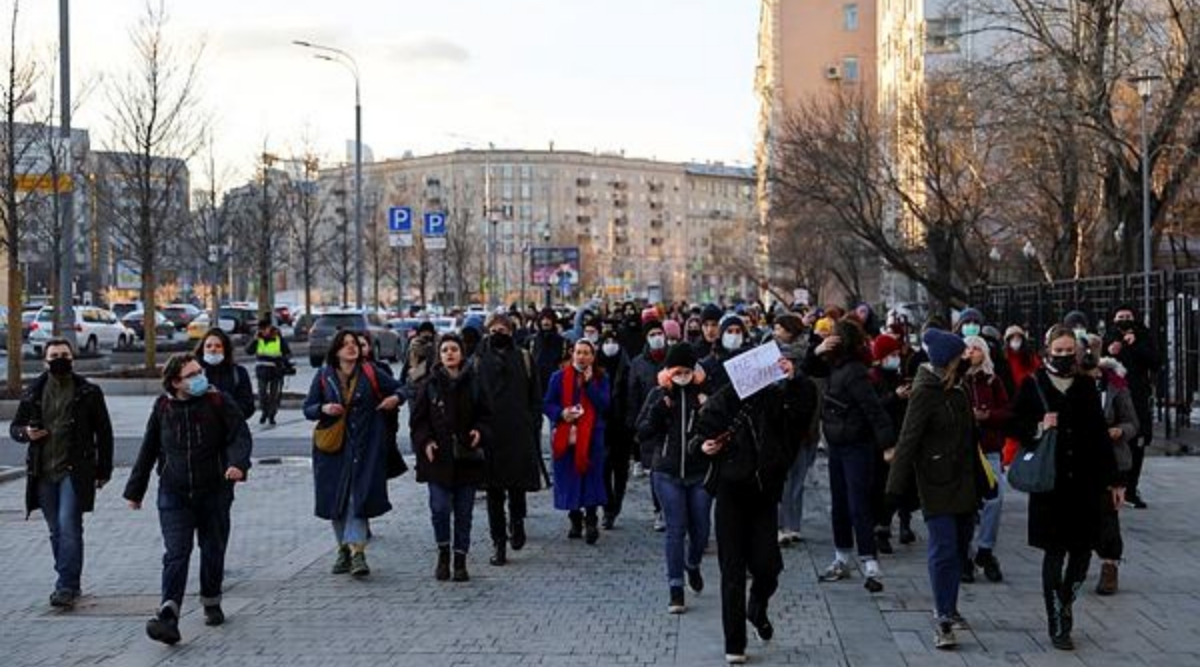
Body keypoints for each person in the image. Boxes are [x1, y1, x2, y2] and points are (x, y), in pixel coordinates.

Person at [690, 349, 818, 665]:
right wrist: (704, 447)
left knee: (768, 565)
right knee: (731, 571)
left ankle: (757, 605)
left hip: (764, 494)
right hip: (731, 493)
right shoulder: (725, 399)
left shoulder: (776, 398)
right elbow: (698, 437)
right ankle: (735, 643)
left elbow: (803, 412)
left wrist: (795, 379)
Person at [124, 353, 253, 645]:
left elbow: (240, 436)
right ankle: (169, 613)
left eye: (200, 372)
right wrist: (135, 491)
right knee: (176, 552)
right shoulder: (163, 407)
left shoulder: (219, 402)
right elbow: (149, 448)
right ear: (175, 382)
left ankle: (211, 598)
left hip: (215, 490)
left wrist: (238, 464)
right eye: (192, 375)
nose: (200, 378)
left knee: (212, 547)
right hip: (174, 491)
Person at [1010, 325, 1120, 651]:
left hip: (1086, 484)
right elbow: (1014, 424)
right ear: (1046, 350)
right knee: (1054, 553)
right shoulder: (1033, 384)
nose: (1063, 356)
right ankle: (1057, 620)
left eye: (1068, 350)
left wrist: (1115, 481)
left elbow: (1100, 436)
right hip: (1050, 485)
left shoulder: (1086, 386)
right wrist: (1039, 426)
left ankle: (1066, 600)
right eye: (1057, 351)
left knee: (1083, 553)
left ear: (1077, 350)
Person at [885, 330, 977, 650]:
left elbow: (970, 440)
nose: (966, 359)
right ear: (947, 360)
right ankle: (942, 618)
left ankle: (950, 607)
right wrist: (894, 491)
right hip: (935, 481)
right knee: (944, 547)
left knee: (961, 546)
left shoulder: (959, 389)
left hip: (964, 481)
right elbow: (908, 440)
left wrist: (983, 481)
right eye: (961, 356)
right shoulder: (925, 391)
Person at [10, 338, 114, 610]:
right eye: (54, 355)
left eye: (64, 354)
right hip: (42, 470)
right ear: (45, 360)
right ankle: (70, 579)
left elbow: (104, 432)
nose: (59, 358)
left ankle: (65, 586)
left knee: (69, 524)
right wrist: (26, 433)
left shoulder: (88, 392)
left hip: (75, 469)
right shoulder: (33, 391)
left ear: (73, 358)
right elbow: (16, 427)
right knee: (56, 529)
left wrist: (104, 469)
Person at [303, 330, 404, 578]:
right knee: (336, 502)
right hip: (331, 449)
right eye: (345, 345)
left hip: (365, 448)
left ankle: (358, 552)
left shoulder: (370, 373)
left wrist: (395, 398)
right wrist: (324, 408)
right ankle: (343, 550)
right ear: (336, 351)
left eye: (354, 344)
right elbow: (308, 408)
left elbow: (403, 388)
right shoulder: (324, 376)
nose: (351, 348)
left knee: (355, 500)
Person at [815, 318, 895, 592]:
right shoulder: (834, 366)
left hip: (855, 445)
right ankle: (843, 556)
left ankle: (869, 561)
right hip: (838, 444)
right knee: (840, 503)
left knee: (857, 502)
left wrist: (887, 444)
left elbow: (873, 409)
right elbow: (806, 370)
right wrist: (817, 349)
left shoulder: (853, 372)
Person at [637, 343, 712, 614]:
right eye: (676, 370)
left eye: (686, 370)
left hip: (699, 471)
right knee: (675, 528)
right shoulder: (659, 394)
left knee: (701, 530)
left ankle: (692, 564)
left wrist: (708, 409)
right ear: (668, 371)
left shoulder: (704, 394)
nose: (682, 374)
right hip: (667, 471)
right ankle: (676, 587)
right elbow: (641, 431)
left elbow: (721, 427)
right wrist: (659, 411)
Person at [411, 334, 492, 581]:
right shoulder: (430, 384)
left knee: (464, 512)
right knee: (440, 507)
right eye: (444, 350)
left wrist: (480, 430)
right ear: (439, 354)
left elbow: (487, 415)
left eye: (454, 349)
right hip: (437, 459)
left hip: (467, 457)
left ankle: (460, 560)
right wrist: (426, 441)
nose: (449, 354)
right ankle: (443, 553)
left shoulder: (475, 382)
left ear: (461, 353)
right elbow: (418, 420)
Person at [474, 313, 543, 566]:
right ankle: (498, 543)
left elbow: (536, 395)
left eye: (503, 329)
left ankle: (517, 522)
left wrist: (534, 424)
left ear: (512, 332)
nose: (498, 333)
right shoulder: (478, 360)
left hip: (518, 431)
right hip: (490, 433)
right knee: (493, 492)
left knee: (516, 486)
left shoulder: (524, 357)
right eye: (494, 329)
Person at [544, 339, 611, 543]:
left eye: (586, 353)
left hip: (592, 435)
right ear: (573, 354)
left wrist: (590, 384)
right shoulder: (558, 377)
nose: (582, 357)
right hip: (567, 434)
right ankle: (575, 517)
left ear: (593, 356)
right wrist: (561, 413)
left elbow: (604, 404)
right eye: (578, 352)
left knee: (591, 477)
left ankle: (591, 520)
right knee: (569, 478)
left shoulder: (601, 377)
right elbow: (547, 403)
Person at [1085, 340, 1138, 595]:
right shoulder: (1068, 383)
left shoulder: (1114, 384)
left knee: (1108, 514)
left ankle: (1109, 565)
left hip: (1111, 458)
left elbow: (1132, 423)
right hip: (1079, 458)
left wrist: (1120, 430)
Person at [962, 335, 1011, 584]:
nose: (972, 353)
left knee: (995, 497)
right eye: (968, 348)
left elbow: (1006, 411)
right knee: (966, 505)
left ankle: (985, 549)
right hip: (965, 450)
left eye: (976, 348)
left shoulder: (993, 380)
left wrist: (987, 415)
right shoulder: (958, 379)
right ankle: (965, 556)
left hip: (990, 448)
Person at [1104, 305, 1158, 507]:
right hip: (1115, 398)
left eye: (1128, 316)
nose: (1125, 320)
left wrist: (1135, 345)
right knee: (1117, 441)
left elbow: (1155, 362)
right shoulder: (1109, 337)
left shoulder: (1143, 336)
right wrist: (1110, 351)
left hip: (1138, 397)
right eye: (1120, 317)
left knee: (1138, 441)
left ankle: (1131, 488)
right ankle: (1115, 485)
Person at [867, 332, 913, 554]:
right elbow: (874, 407)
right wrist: (894, 397)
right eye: (892, 354)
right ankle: (881, 528)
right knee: (882, 488)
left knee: (899, 487)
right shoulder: (872, 377)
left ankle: (901, 523)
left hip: (899, 436)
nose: (896, 358)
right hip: (880, 442)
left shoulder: (896, 375)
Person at [628, 319, 670, 529]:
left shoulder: (673, 357)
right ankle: (659, 510)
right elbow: (633, 395)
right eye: (652, 334)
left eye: (659, 333)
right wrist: (636, 423)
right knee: (655, 470)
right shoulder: (638, 363)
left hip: (672, 422)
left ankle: (671, 508)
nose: (657, 338)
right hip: (650, 423)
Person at [596, 328, 634, 529]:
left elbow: (632, 396)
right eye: (607, 340)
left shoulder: (628, 365)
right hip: (601, 426)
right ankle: (608, 504)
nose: (610, 344)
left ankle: (615, 507)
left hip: (622, 426)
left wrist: (631, 422)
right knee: (602, 468)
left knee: (620, 470)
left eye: (614, 340)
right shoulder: (594, 366)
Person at [196, 328, 255, 421]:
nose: (213, 349)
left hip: (231, 431)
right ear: (202, 349)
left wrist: (224, 406)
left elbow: (248, 406)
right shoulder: (194, 373)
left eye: (218, 346)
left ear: (225, 349)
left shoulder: (239, 373)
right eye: (208, 346)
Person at [245, 319, 292, 425]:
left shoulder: (278, 338)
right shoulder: (258, 338)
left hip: (276, 370)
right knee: (262, 394)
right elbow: (248, 351)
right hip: (262, 371)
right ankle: (264, 412)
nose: (264, 331)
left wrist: (283, 361)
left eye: (266, 329)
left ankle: (271, 415)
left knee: (274, 395)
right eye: (262, 329)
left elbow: (287, 353)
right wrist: (254, 340)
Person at [530, 308, 568, 399]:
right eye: (543, 319)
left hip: (554, 379)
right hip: (537, 379)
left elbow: (563, 360)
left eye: (548, 319)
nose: (546, 322)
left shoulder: (561, 341)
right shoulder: (533, 340)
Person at [401, 321, 438, 398]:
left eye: (429, 332)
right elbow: (407, 364)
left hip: (433, 382)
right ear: (419, 334)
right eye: (424, 332)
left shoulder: (437, 345)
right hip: (416, 382)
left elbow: (436, 364)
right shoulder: (414, 345)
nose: (426, 335)